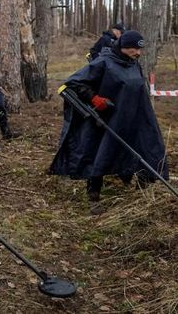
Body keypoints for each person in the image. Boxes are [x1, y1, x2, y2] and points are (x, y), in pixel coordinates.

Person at [49, 30, 168, 212]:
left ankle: (142, 188)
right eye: (134, 49)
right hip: (109, 120)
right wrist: (94, 98)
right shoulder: (104, 62)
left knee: (146, 146)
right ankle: (94, 192)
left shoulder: (134, 64)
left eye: (140, 49)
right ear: (123, 46)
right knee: (101, 152)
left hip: (135, 117)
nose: (138, 53)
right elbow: (74, 83)